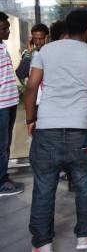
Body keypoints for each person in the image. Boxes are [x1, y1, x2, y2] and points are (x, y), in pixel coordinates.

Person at [25, 9, 87, 251]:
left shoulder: (45, 51)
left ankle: (42, 244)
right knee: (84, 184)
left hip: (47, 129)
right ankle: (84, 236)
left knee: (43, 187)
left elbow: (31, 88)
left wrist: (31, 119)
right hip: (80, 131)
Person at [0, 11, 23, 197]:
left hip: (9, 103)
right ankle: (1, 182)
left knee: (5, 144)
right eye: (4, 28)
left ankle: (4, 178)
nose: (8, 31)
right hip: (1, 106)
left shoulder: (2, 47)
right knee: (2, 144)